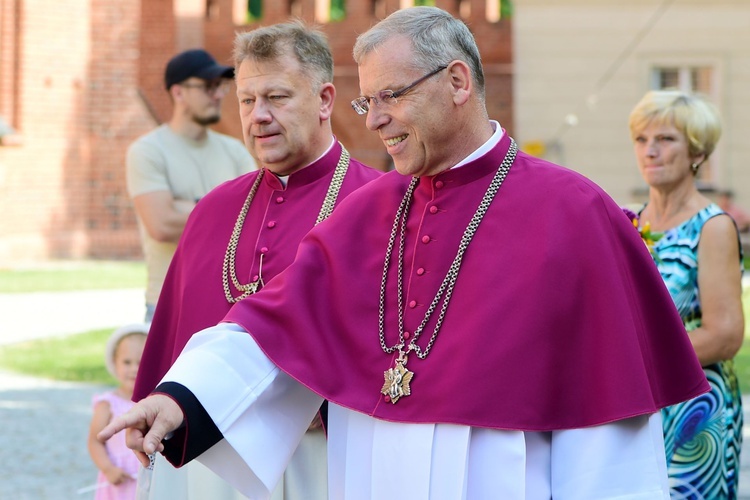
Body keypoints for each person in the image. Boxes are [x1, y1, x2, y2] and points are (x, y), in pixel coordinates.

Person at [102, 7, 709, 498]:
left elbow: (608, 423)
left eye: (391, 95)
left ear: (457, 82)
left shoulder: (575, 212)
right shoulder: (369, 210)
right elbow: (277, 319)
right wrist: (181, 398)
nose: (374, 121)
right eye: (367, 102)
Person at [132, 21, 382, 500]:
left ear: (326, 100)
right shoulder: (214, 210)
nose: (258, 116)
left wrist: (327, 399)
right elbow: (175, 332)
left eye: (278, 97)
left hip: (323, 454)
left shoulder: (378, 202)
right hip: (209, 453)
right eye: (247, 100)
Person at [628, 89, 744, 499]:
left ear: (696, 151)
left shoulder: (711, 227)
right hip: (641, 406)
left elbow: (725, 336)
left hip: (696, 413)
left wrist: (632, 360)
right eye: (642, 140)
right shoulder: (631, 223)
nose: (651, 151)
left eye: (665, 140)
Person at [127, 48, 257, 322]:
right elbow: (161, 225)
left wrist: (187, 205)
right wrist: (227, 211)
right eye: (208, 86)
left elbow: (257, 219)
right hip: (167, 304)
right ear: (178, 92)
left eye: (220, 86)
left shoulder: (235, 150)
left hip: (227, 305)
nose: (219, 94)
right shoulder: (148, 151)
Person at [87, 323, 148, 499]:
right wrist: (108, 468)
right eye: (127, 362)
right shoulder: (108, 403)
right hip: (118, 482)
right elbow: (95, 441)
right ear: (115, 363)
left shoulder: (154, 402)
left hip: (146, 478)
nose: (134, 369)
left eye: (141, 362)